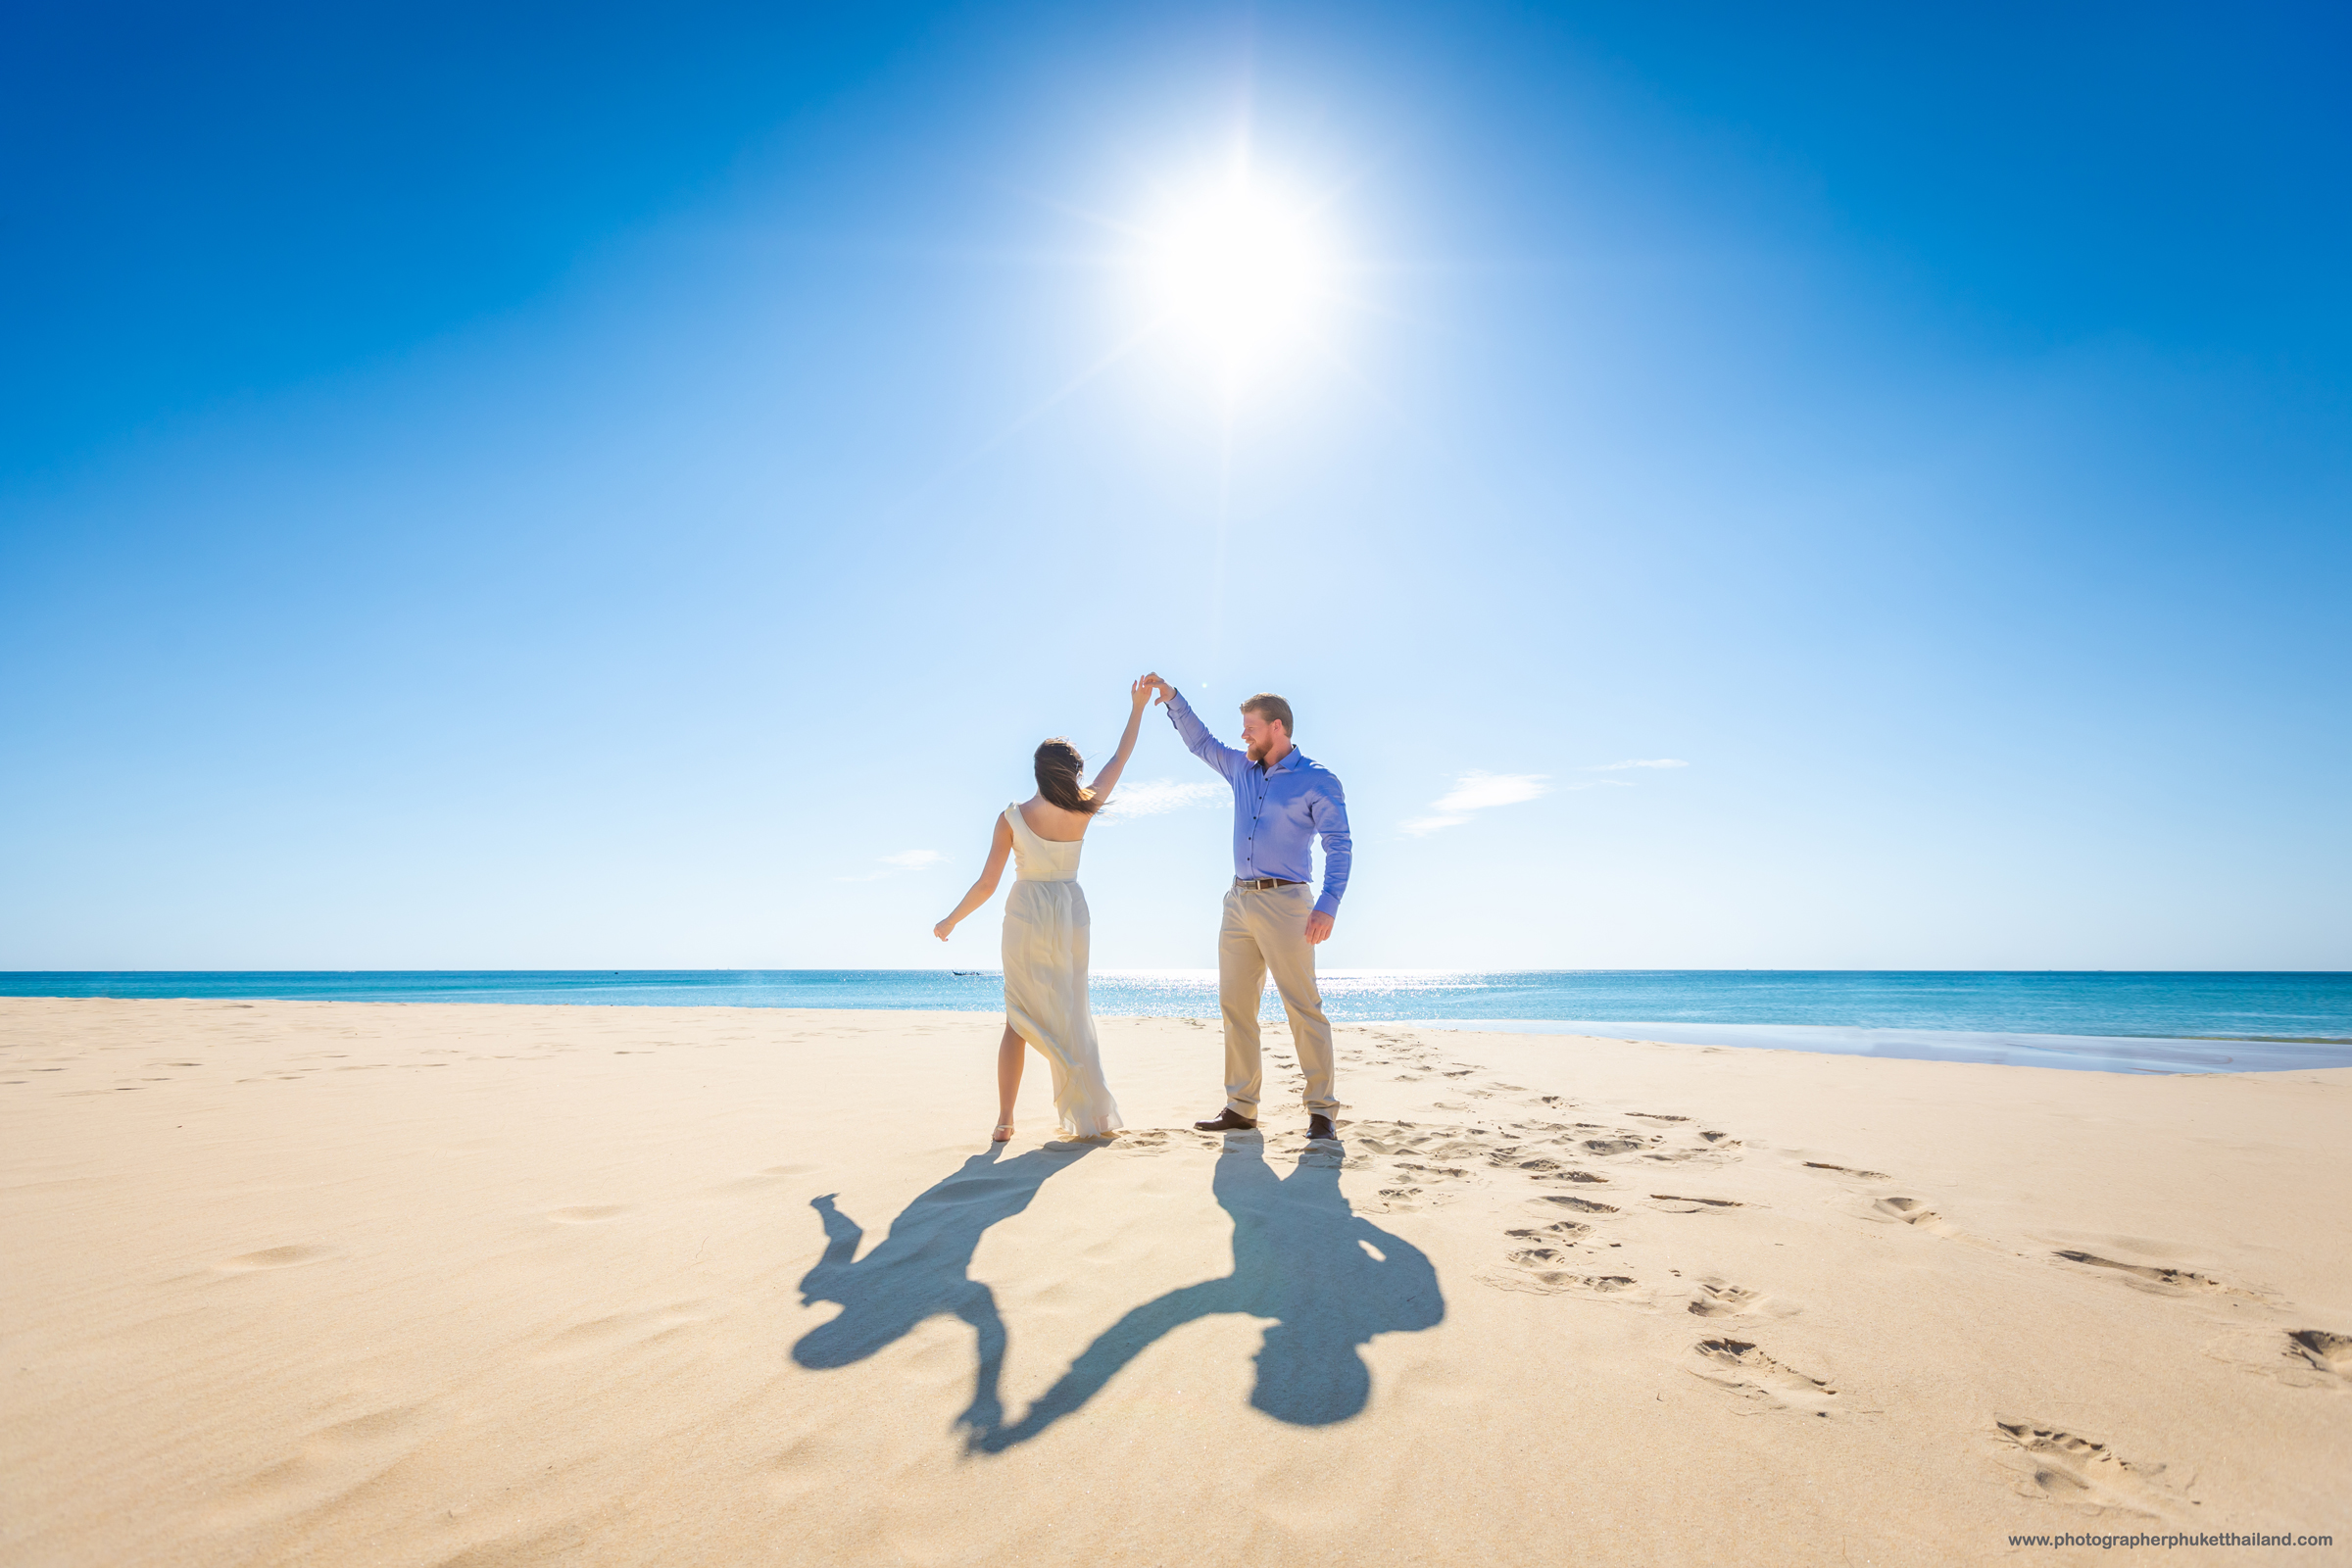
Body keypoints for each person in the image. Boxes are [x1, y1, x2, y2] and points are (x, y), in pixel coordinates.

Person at [933, 680, 1151, 1142]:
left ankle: (1005, 1120)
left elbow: (988, 883)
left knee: (1018, 1016)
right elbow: (1120, 758)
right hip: (1071, 909)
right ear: (1073, 773)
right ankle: (1089, 1115)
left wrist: (951, 919)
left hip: (1028, 910)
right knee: (1071, 1009)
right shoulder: (1085, 807)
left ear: (1037, 773)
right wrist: (1137, 709)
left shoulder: (1012, 817)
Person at [1140, 675, 1351, 1141]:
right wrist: (1173, 699)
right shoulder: (1241, 769)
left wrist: (1328, 904)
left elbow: (1339, 844)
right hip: (1238, 902)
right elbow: (1200, 741)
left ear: (1278, 727)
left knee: (1303, 1007)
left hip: (1289, 903)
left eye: (1251, 728)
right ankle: (1241, 1106)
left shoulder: (1316, 779)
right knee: (1236, 1005)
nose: (1243, 736)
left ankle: (1321, 1112)